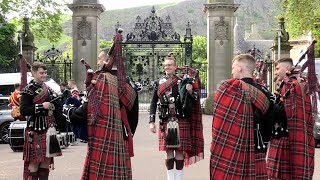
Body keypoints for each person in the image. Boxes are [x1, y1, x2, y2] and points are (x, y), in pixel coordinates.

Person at [81, 30, 138, 180]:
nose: (98, 62)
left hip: (102, 133)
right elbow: (134, 114)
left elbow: (89, 108)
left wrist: (73, 115)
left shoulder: (99, 79)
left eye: (100, 59)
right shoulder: (126, 82)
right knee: (118, 174)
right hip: (122, 134)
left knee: (101, 174)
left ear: (106, 60)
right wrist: (127, 133)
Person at [210, 54, 274, 179]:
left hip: (231, 147)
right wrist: (263, 143)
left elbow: (219, 123)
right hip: (257, 145)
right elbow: (268, 124)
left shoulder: (228, 89)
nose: (232, 71)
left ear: (240, 68)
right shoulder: (265, 93)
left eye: (233, 67)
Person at [149, 53, 204, 180]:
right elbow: (153, 103)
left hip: (181, 118)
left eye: (170, 65)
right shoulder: (158, 83)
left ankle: (178, 178)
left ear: (175, 67)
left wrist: (190, 91)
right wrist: (151, 122)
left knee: (179, 151)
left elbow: (195, 99)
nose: (167, 67)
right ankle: (170, 178)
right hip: (165, 119)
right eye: (165, 65)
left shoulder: (182, 82)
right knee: (168, 151)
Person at [266, 57, 314, 180]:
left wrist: (269, 106)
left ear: (287, 68)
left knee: (280, 177)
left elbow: (286, 114)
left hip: (285, 140)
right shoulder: (295, 84)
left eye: (277, 68)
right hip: (284, 138)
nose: (275, 72)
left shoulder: (292, 85)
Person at [20, 62, 62, 180]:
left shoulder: (47, 88)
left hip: (49, 127)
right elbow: (23, 110)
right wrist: (41, 106)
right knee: (35, 161)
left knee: (46, 160)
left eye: (45, 72)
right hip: (35, 129)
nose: (44, 75)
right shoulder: (28, 90)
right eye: (41, 73)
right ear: (33, 73)